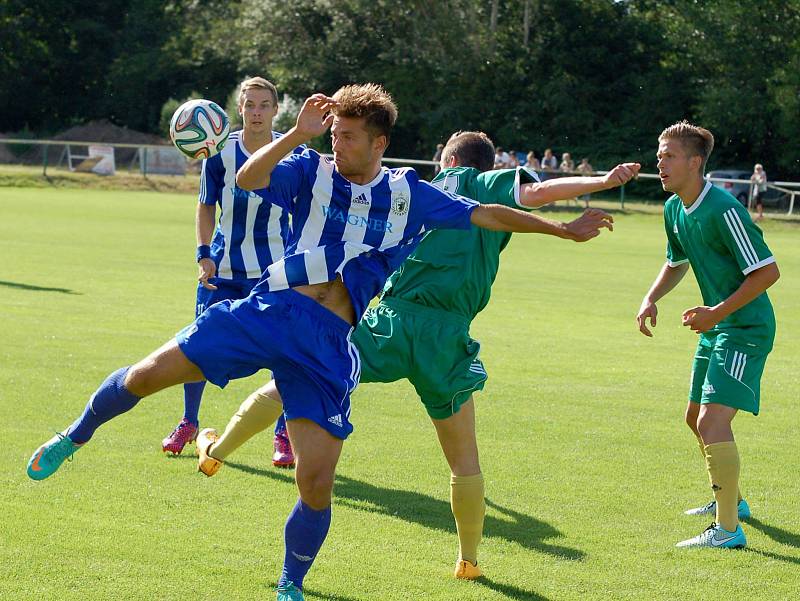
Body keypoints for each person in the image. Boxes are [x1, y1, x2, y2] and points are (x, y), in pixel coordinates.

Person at [27, 84, 614, 601]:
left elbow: (488, 213)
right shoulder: (309, 169)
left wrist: (564, 230)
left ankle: (290, 584)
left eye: (349, 137)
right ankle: (72, 437)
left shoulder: (411, 194)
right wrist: (296, 136)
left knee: (317, 480)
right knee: (149, 374)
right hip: (270, 310)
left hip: (331, 343)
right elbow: (248, 177)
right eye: (333, 134)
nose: (338, 144)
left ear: (380, 142)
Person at [192, 131, 634, 581]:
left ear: (450, 158)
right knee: (464, 458)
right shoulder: (485, 189)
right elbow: (535, 193)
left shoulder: (428, 188)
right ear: (488, 164)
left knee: (292, 385)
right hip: (446, 338)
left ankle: (216, 451)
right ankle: (469, 561)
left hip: (388, 321)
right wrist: (599, 184)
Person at [636, 121, 779, 550]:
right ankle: (732, 501)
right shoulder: (674, 208)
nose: (660, 162)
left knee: (711, 421)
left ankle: (729, 529)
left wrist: (716, 312)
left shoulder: (724, 209)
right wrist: (651, 297)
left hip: (745, 328)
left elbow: (767, 272)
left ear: (695, 162)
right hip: (717, 328)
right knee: (693, 418)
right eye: (659, 155)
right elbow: (675, 261)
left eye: (669, 156)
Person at [160, 77, 303, 469]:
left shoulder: (292, 154)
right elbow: (206, 206)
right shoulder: (219, 153)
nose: (256, 112)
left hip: (273, 272)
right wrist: (203, 254)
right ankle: (189, 422)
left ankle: (283, 432)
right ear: (239, 109)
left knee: (283, 353)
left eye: (264, 105)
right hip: (221, 268)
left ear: (276, 111)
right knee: (196, 346)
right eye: (250, 105)